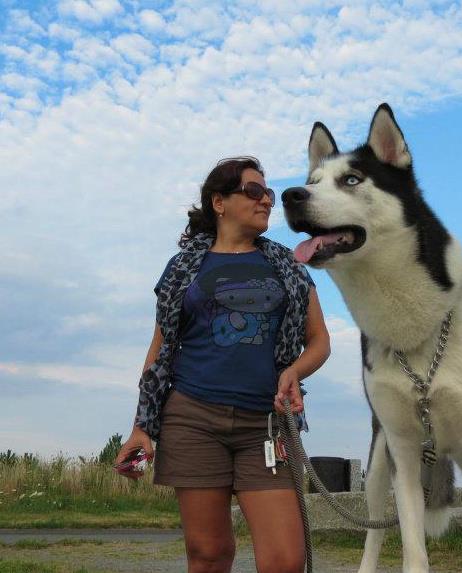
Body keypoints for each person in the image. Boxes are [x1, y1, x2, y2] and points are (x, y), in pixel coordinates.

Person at [115, 156, 331, 573]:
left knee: (286, 561)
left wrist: (294, 371)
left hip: (266, 426)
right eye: (254, 191)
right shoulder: (182, 269)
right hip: (192, 419)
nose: (267, 200)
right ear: (219, 202)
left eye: (268, 193)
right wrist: (142, 426)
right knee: (209, 555)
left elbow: (319, 340)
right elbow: (160, 349)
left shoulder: (287, 265)